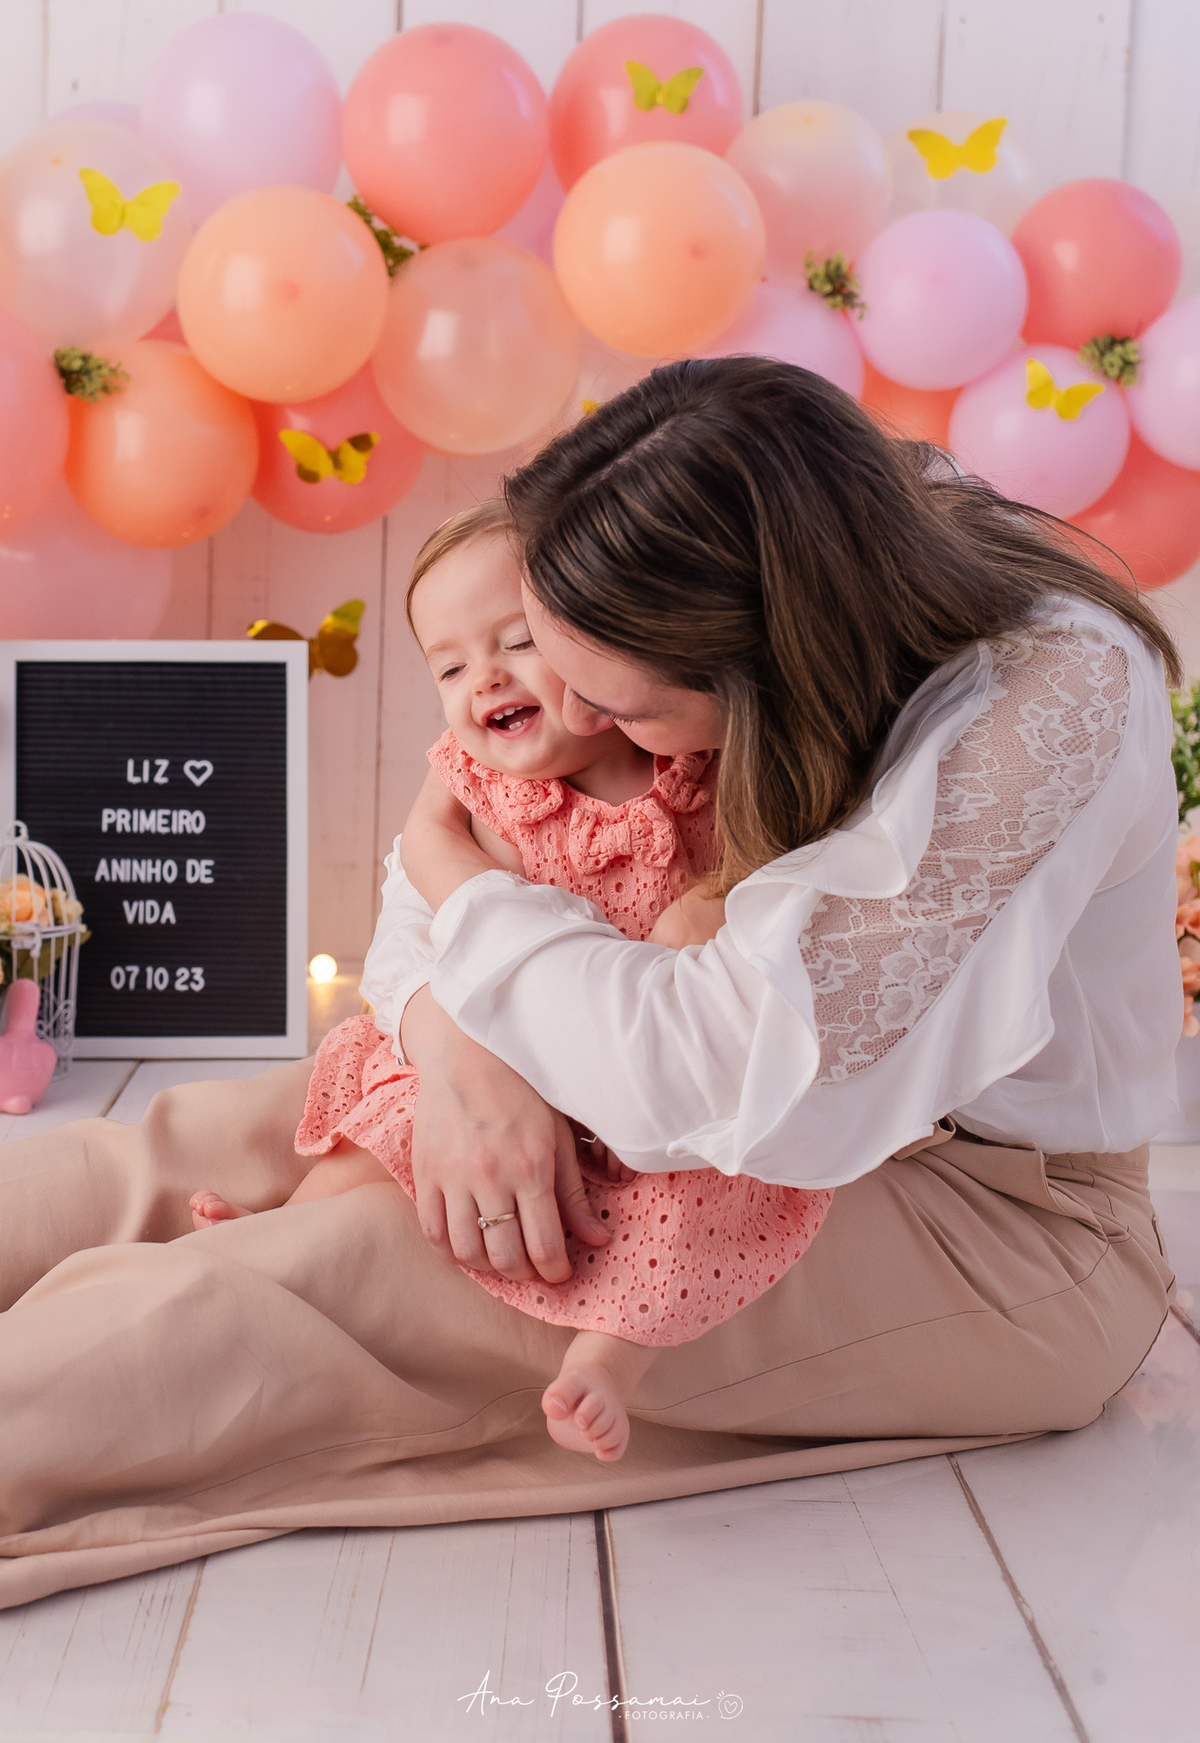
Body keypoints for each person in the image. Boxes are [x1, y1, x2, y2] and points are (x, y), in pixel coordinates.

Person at [0, 358, 1179, 1612]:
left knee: (340, 1269)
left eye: (609, 703)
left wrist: (458, 887)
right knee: (201, 1142)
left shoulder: (1047, 700)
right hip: (675, 1086)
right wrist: (459, 1055)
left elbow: (720, 1075)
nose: (552, 711)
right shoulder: (788, 516)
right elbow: (441, 878)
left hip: (978, 1209)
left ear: (749, 684)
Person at [187, 499, 831, 1462]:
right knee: (392, 1118)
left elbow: (738, 910)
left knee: (705, 1190)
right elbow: (426, 919)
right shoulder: (473, 784)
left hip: (645, 1070)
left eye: (517, 642)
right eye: (449, 667)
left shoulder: (696, 764)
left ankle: (608, 1359)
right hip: (507, 1041)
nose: (481, 678)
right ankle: (277, 1240)